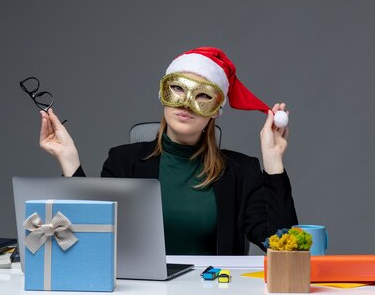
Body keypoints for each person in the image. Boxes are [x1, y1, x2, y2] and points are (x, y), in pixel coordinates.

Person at [38, 47, 298, 255]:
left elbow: (282, 245)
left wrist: (274, 164)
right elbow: (91, 238)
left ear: (217, 110)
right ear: (163, 93)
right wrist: (69, 160)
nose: (187, 103)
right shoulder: (124, 162)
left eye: (203, 96)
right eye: (178, 88)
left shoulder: (242, 171)